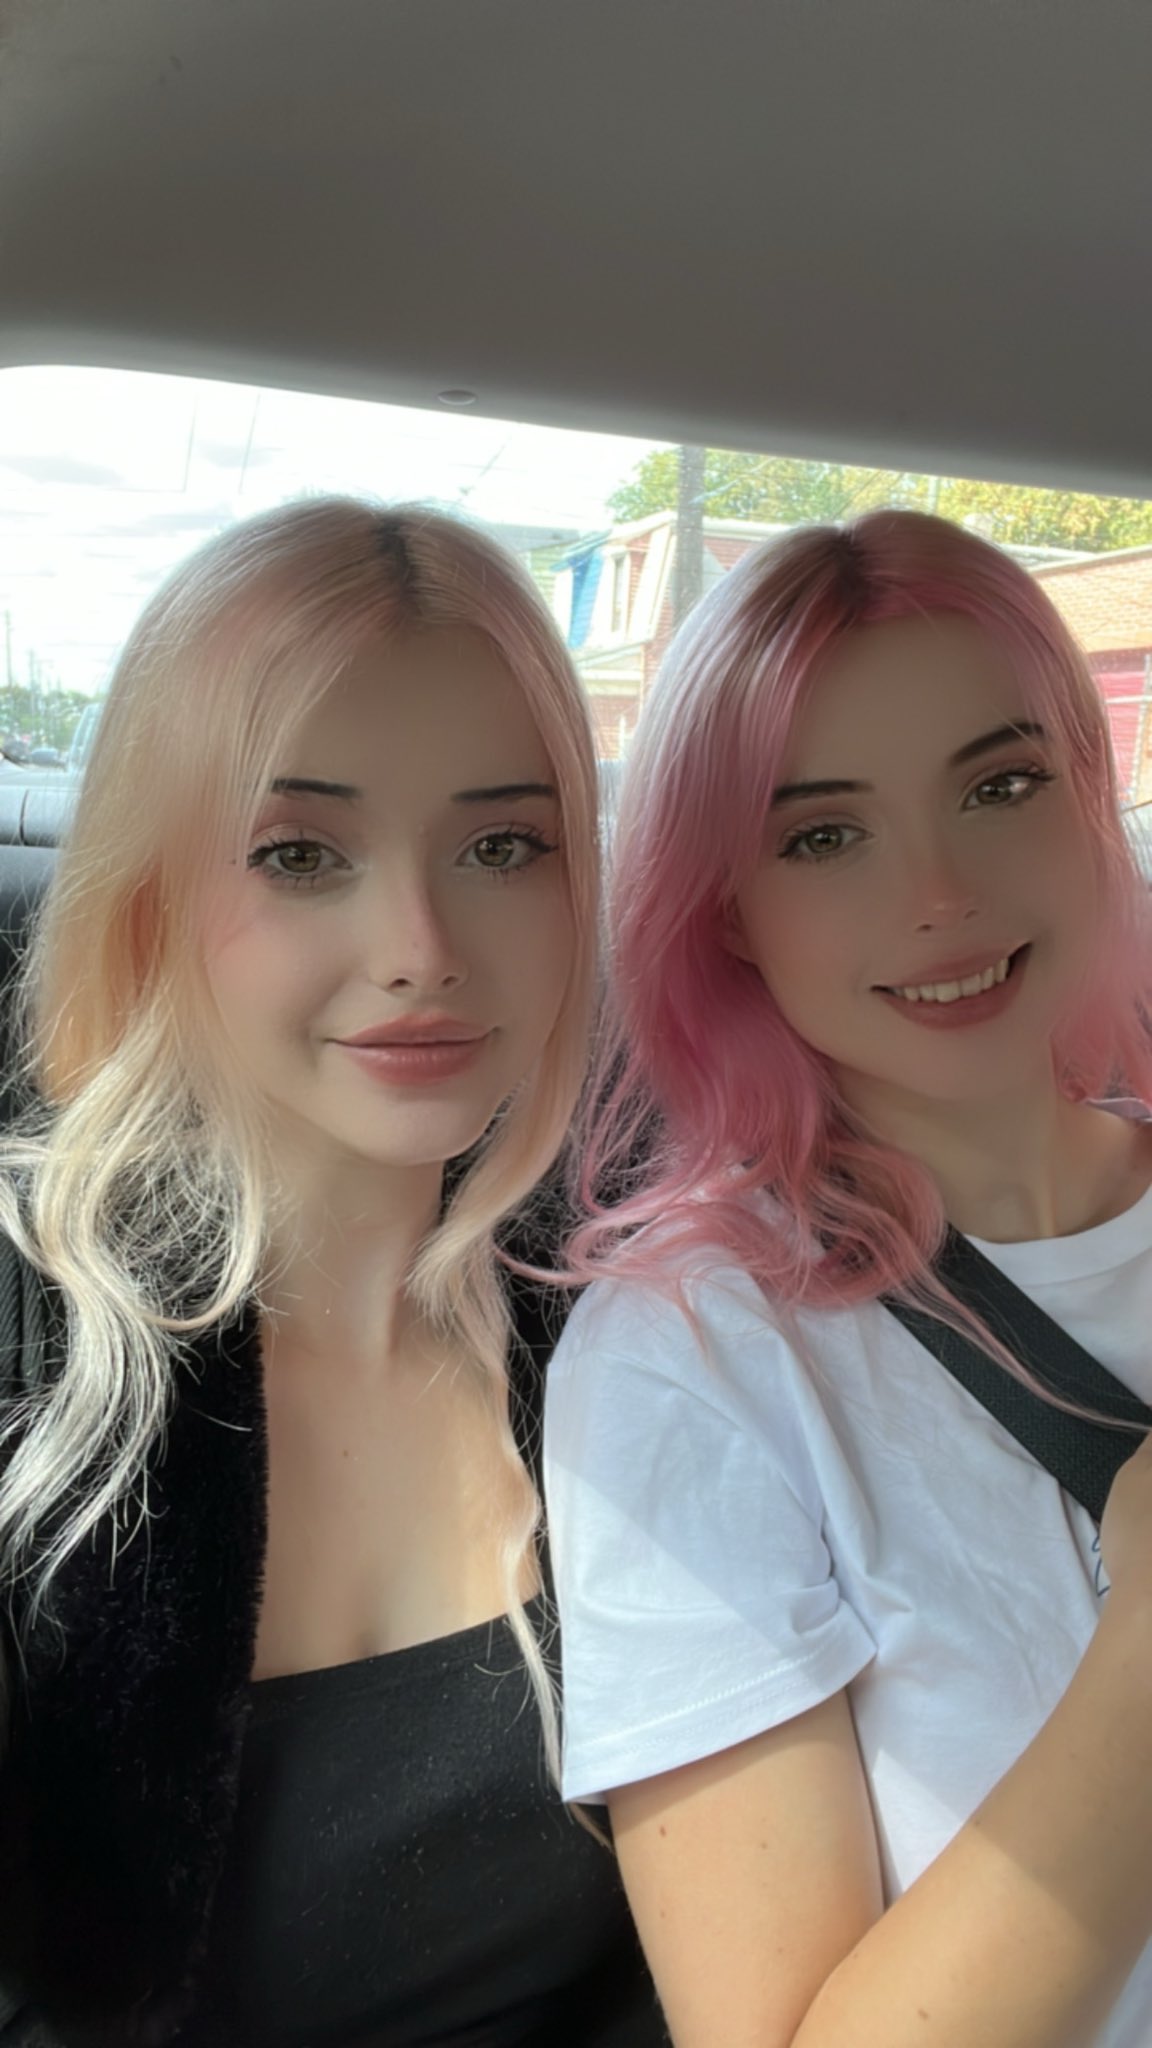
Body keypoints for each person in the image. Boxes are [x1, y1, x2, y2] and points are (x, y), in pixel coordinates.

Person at [0, 498, 664, 2047]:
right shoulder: (34, 1355)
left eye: (502, 845)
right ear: (154, 897)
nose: (420, 943)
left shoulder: (645, 1332)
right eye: (301, 854)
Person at [544, 509, 1152, 2048]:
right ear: (726, 910)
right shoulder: (689, 1354)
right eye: (823, 835)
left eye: (1001, 785)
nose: (939, 893)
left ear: (1091, 797)